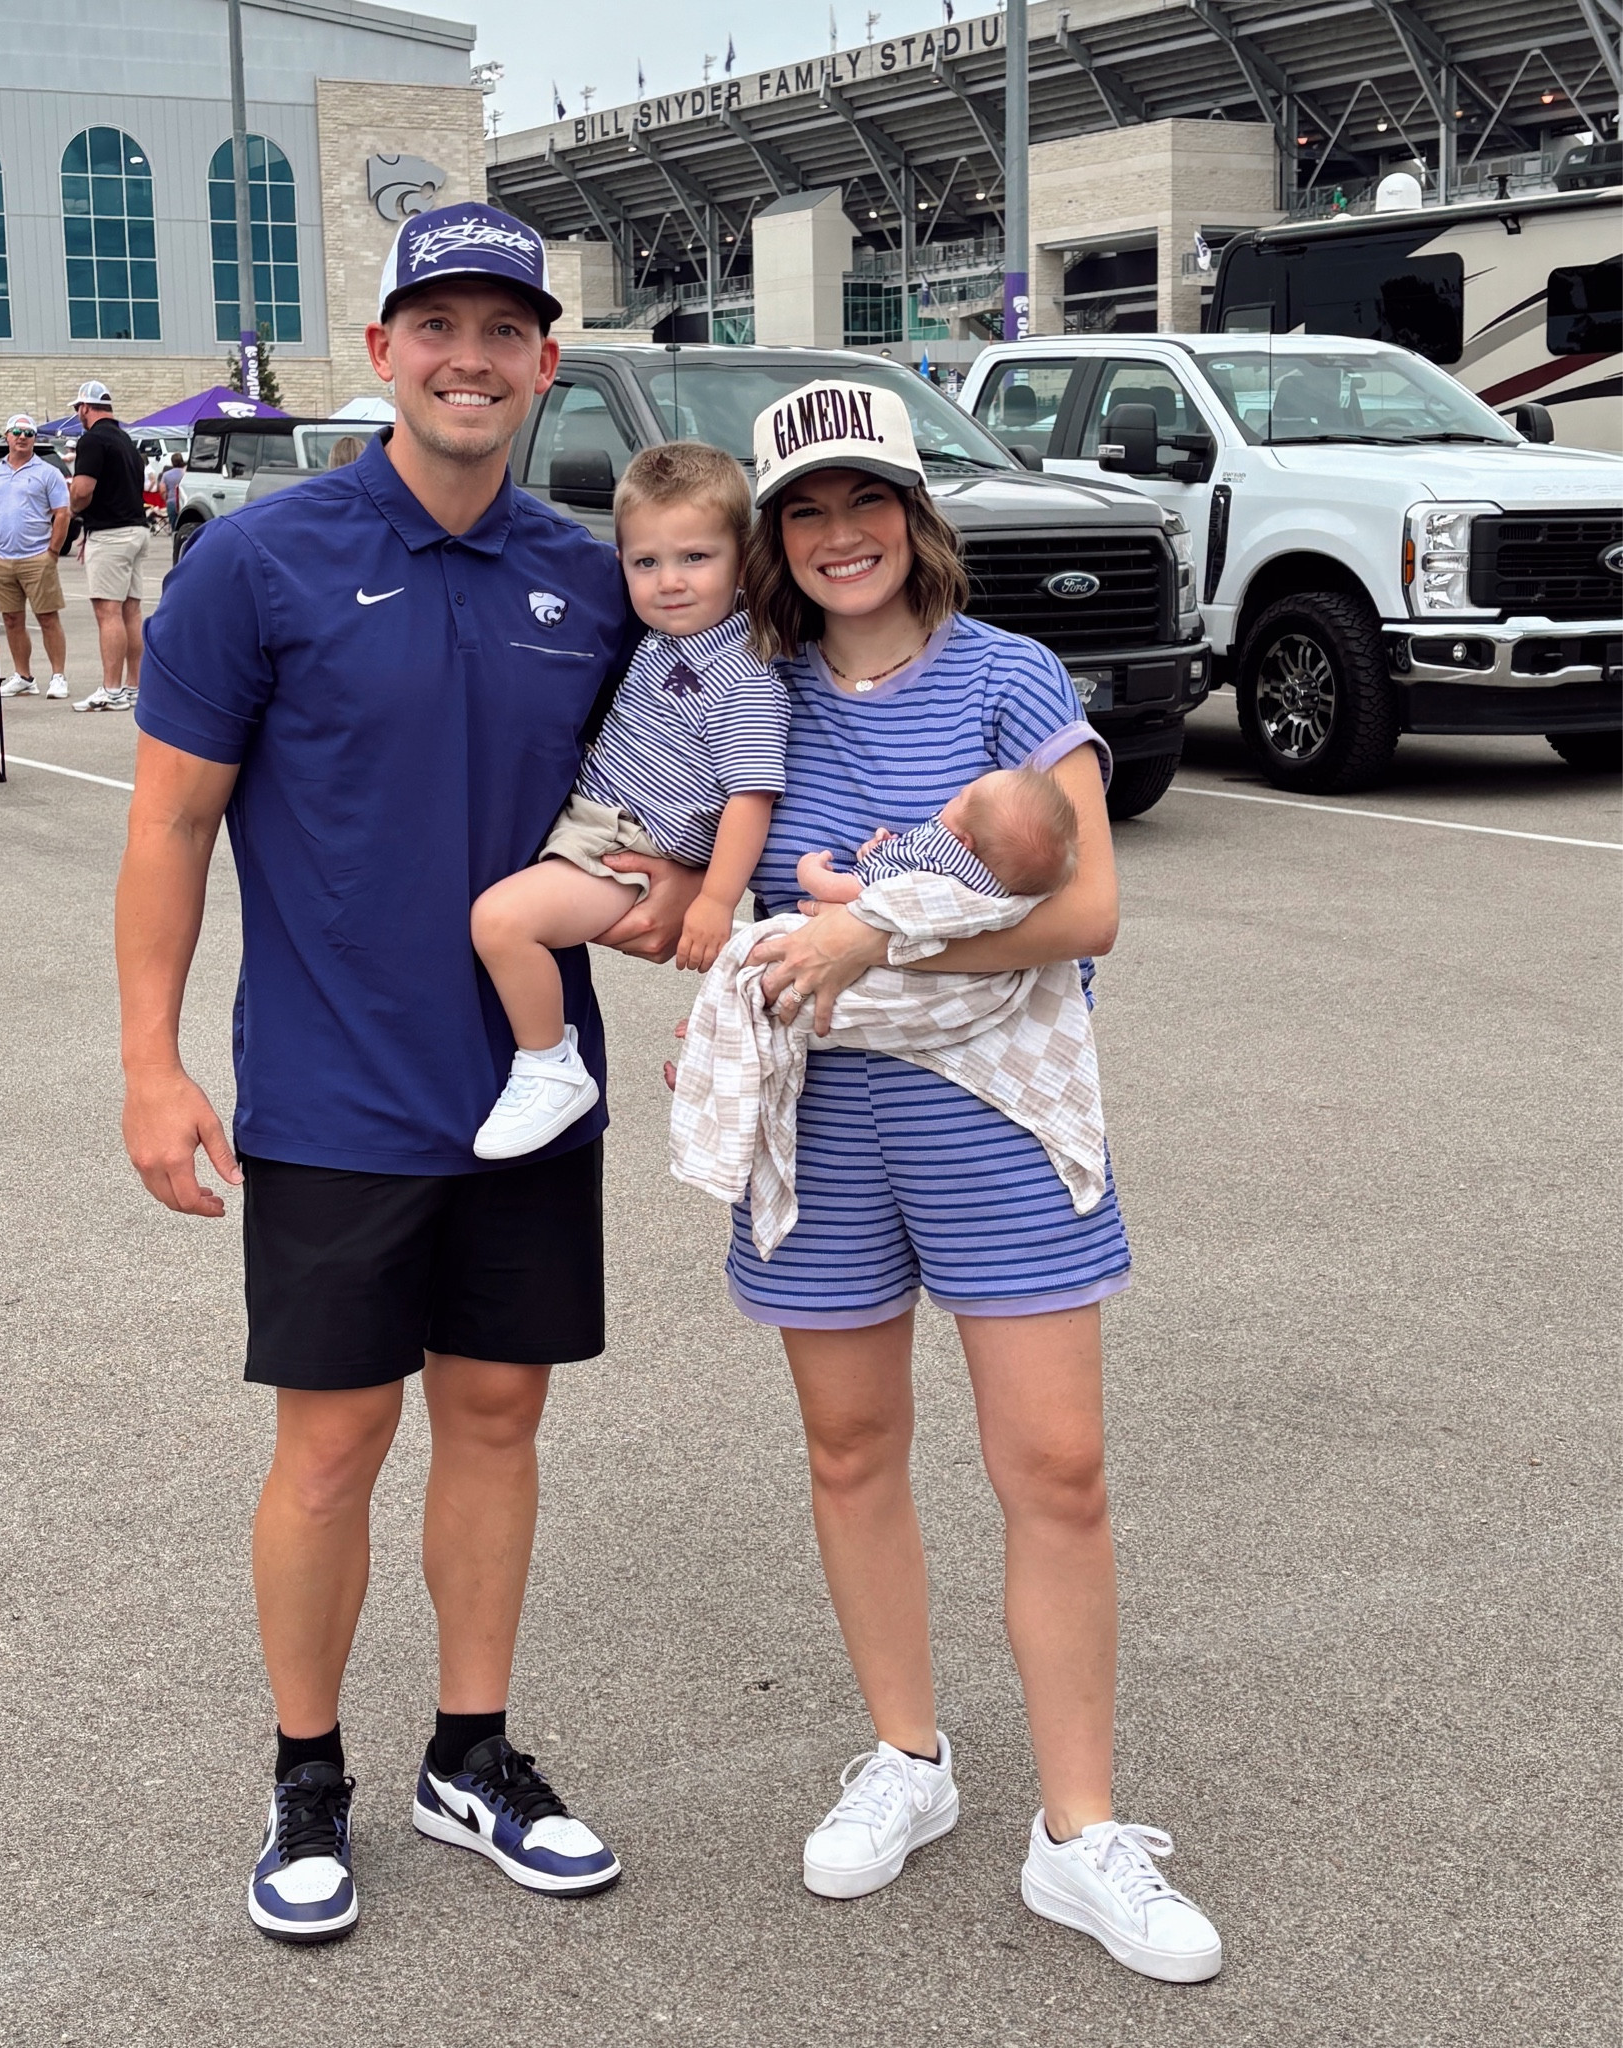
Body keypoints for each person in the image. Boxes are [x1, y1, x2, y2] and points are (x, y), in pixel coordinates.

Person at [116, 200, 703, 1946]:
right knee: (333, 1442)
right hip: (329, 1092)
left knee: (500, 1416)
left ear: (544, 362)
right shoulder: (262, 561)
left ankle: (472, 1747)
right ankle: (310, 1774)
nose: (469, 357)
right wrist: (149, 1060)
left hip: (528, 1088)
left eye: (503, 330)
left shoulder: (589, 577)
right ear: (380, 351)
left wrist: (680, 893)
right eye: (434, 326)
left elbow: (667, 798)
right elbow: (166, 826)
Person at [725, 378, 1222, 1982]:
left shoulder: (1009, 676)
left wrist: (872, 930)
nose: (839, 534)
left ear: (916, 514)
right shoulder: (750, 693)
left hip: (995, 1117)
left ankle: (1078, 1833)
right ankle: (907, 1758)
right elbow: (673, 864)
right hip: (823, 1116)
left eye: (863, 500)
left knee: (1056, 1467)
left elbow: (1085, 915)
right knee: (851, 1444)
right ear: (772, 537)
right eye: (804, 510)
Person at [469, 440, 787, 1160]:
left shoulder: (745, 677)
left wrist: (713, 901)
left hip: (629, 852)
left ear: (744, 555)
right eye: (646, 562)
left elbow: (751, 797)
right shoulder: (661, 641)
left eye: (694, 558)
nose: (669, 581)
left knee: (499, 923)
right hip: (599, 830)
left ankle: (549, 1066)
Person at [796, 762, 1077, 906]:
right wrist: (882, 850)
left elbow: (860, 892)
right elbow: (904, 860)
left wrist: (811, 873)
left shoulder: (934, 878)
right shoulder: (986, 884)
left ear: (964, 842)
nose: (951, 800)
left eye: (960, 798)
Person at [66, 380, 147, 712]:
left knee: (108, 612)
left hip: (111, 534)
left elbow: (83, 490)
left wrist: (72, 507)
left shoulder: (92, 440)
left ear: (85, 407)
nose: (77, 415)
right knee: (131, 611)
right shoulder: (126, 440)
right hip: (135, 529)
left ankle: (111, 689)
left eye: (77, 410)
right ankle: (133, 686)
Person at [0, 415, 72, 701]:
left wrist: (52, 552)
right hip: (0, 559)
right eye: (17, 432)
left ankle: (58, 676)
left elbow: (62, 513)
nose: (22, 437)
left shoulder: (48, 473)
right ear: (7, 436)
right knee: (12, 619)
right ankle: (23, 676)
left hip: (37, 558)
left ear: (35, 438)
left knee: (47, 617)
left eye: (28, 433)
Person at [161, 451, 185, 525]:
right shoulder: (185, 474)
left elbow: (162, 491)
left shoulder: (166, 475)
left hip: (171, 501)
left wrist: (166, 500)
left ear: (172, 462)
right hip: (184, 502)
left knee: (173, 525)